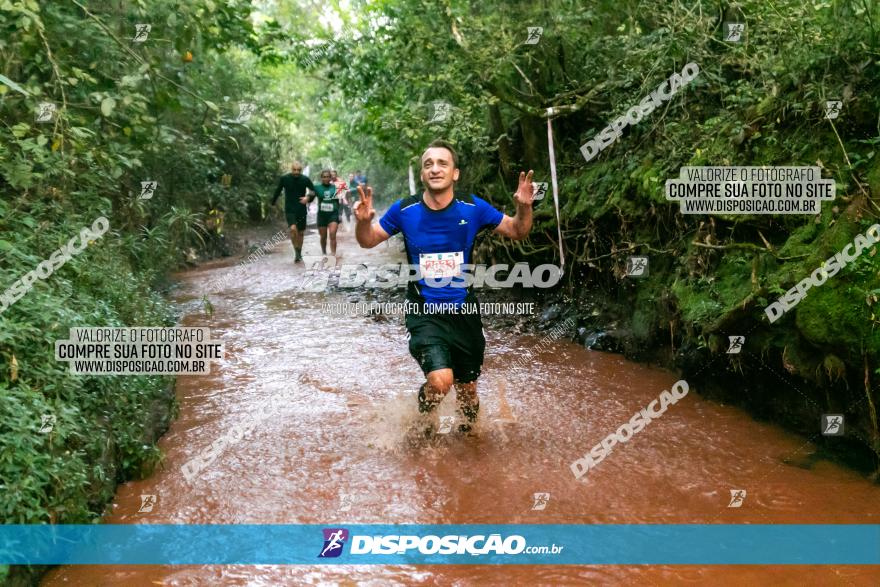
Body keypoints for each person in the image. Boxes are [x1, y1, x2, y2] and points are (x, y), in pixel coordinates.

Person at [353, 139, 534, 435]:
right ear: (423, 175)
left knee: (468, 392)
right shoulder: (405, 210)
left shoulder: (473, 207)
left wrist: (524, 207)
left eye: (442, 163)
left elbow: (517, 230)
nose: (435, 169)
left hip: (464, 312)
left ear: (455, 173)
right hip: (424, 311)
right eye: (428, 164)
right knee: (440, 380)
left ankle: (470, 444)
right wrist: (362, 223)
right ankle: (422, 421)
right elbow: (368, 239)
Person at [271, 161, 315, 263]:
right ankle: (296, 252)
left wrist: (308, 198)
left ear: (300, 170)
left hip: (301, 208)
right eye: (294, 170)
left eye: (298, 170)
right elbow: (278, 190)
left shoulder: (305, 179)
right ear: (291, 169)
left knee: (300, 232)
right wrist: (272, 203)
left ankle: (299, 251)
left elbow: (313, 191)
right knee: (292, 229)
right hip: (290, 208)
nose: (296, 172)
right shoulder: (285, 179)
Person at [311, 169, 341, 255]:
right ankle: (324, 253)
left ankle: (333, 254)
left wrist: (339, 214)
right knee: (323, 237)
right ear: (321, 178)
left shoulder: (335, 187)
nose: (326, 179)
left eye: (328, 177)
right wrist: (308, 198)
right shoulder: (317, 188)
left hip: (333, 214)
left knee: (332, 234)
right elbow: (311, 197)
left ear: (330, 178)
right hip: (322, 215)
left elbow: (339, 201)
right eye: (324, 177)